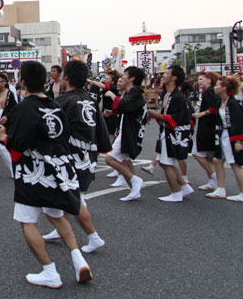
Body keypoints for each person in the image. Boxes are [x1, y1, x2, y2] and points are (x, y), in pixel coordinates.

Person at [0, 60, 91, 288]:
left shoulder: (24, 108)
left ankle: (50, 271)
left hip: (33, 173)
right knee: (57, 216)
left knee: (27, 221)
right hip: (58, 170)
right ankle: (79, 260)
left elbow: (18, 146)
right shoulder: (55, 105)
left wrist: (2, 138)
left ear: (22, 82)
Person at [40, 60, 110, 253]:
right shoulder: (91, 101)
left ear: (67, 78)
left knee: (75, 199)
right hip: (87, 156)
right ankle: (60, 229)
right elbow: (102, 137)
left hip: (69, 159)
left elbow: (50, 132)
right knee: (66, 195)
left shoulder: (64, 102)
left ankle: (94, 238)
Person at [147, 66, 194, 202]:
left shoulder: (177, 97)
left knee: (167, 163)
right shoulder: (168, 94)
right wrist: (156, 115)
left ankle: (175, 193)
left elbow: (175, 119)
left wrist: (154, 114)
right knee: (163, 161)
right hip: (168, 132)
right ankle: (184, 187)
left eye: (166, 73)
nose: (163, 75)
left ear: (174, 78)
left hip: (174, 134)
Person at [103, 66, 149, 201]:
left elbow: (125, 105)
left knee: (109, 158)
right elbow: (127, 108)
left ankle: (135, 180)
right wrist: (112, 111)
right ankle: (134, 189)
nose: (122, 78)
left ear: (132, 78)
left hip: (128, 132)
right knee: (125, 161)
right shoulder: (132, 93)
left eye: (125, 75)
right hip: (126, 130)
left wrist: (112, 95)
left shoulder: (135, 93)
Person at [206, 75, 243, 201]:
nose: (215, 87)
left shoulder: (233, 103)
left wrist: (238, 141)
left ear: (224, 88)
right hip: (223, 135)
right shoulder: (222, 101)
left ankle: (242, 192)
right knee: (218, 160)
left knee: (235, 163)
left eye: (217, 85)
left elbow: (238, 122)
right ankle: (220, 189)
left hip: (231, 136)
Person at [190, 71, 221, 191]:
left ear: (209, 80)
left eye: (202, 79)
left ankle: (215, 178)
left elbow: (215, 107)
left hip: (208, 126)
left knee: (197, 153)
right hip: (210, 125)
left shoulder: (209, 91)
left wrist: (201, 114)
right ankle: (212, 181)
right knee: (208, 156)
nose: (199, 82)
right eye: (198, 79)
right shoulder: (208, 91)